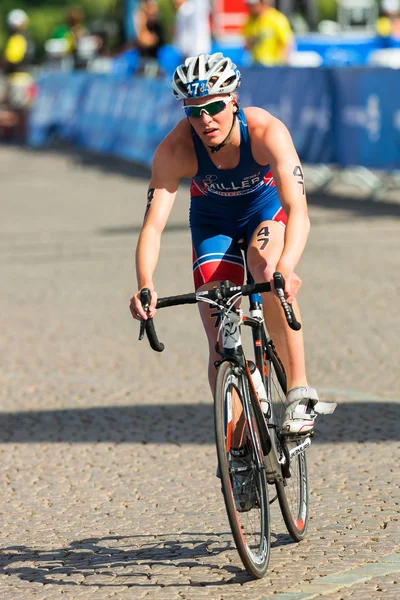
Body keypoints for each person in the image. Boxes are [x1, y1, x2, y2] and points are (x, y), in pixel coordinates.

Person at [130, 52, 336, 443]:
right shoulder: (175, 149)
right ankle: (238, 452)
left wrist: (288, 266)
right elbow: (153, 226)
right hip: (213, 224)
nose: (205, 119)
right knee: (218, 330)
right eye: (194, 111)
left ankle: (299, 392)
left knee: (265, 269)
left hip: (264, 212)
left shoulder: (265, 131)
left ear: (234, 101)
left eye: (214, 107)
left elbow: (298, 210)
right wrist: (145, 283)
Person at [243, 0, 294, 66]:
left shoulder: (276, 18)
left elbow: (287, 43)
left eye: (253, 5)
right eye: (249, 5)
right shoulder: (249, 21)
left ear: (262, 3)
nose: (250, 7)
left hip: (274, 66)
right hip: (255, 65)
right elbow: (246, 47)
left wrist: (284, 65)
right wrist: (252, 42)